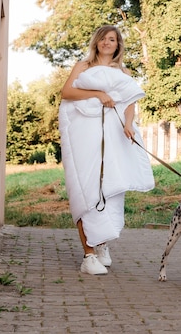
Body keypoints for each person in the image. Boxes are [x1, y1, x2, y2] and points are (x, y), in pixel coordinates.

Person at [59, 25, 155, 275]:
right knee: (86, 188)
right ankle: (88, 255)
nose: (106, 42)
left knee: (110, 191)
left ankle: (101, 244)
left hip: (112, 139)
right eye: (102, 38)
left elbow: (130, 101)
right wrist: (98, 93)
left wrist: (129, 124)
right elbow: (67, 92)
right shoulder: (82, 66)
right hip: (85, 138)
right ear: (96, 42)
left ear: (118, 44)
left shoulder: (124, 72)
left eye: (111, 39)